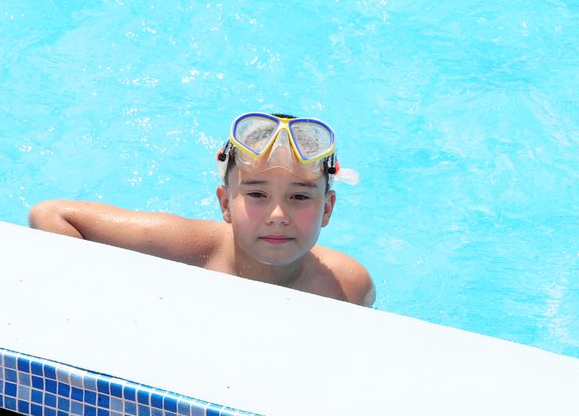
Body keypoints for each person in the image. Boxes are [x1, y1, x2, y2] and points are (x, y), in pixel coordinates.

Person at [28, 112, 375, 307]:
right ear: (225, 203)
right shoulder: (185, 248)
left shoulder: (347, 287)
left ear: (327, 209)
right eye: (257, 194)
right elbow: (51, 214)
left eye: (299, 197)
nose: (278, 215)